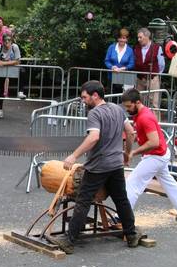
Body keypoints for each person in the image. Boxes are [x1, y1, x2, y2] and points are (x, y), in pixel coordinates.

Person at [45, 80, 140, 254]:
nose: (83, 101)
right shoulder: (118, 109)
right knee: (121, 199)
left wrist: (74, 156)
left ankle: (69, 240)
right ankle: (132, 234)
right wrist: (126, 153)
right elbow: (130, 133)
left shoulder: (95, 114)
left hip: (98, 166)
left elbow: (94, 137)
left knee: (83, 200)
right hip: (116, 164)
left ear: (95, 95)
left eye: (84, 97)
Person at [121, 88, 177, 221]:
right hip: (159, 153)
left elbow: (154, 142)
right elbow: (146, 136)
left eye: (129, 106)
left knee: (133, 183)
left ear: (137, 102)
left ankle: (122, 216)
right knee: (167, 182)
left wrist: (133, 152)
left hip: (155, 155)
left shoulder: (145, 117)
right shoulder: (140, 114)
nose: (127, 109)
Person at [133, 28, 165, 113]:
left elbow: (161, 65)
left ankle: (155, 125)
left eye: (140, 37)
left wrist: (155, 75)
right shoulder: (136, 48)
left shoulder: (157, 48)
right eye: (138, 37)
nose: (138, 39)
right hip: (139, 79)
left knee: (154, 104)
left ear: (147, 36)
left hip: (152, 79)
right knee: (139, 102)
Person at [0, 34, 22, 119]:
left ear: (12, 41)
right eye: (5, 40)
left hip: (12, 70)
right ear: (2, 41)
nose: (7, 42)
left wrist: (4, 63)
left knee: (22, 72)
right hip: (1, 71)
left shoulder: (15, 47)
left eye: (9, 40)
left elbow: (17, 61)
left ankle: (21, 91)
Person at [104, 28, 135, 94]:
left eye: (124, 38)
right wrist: (112, 67)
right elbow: (107, 61)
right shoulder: (111, 47)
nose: (122, 40)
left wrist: (125, 68)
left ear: (127, 39)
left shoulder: (130, 50)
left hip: (124, 77)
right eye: (120, 38)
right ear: (118, 38)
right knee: (111, 97)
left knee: (123, 97)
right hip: (111, 76)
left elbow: (132, 64)